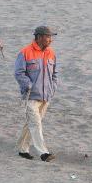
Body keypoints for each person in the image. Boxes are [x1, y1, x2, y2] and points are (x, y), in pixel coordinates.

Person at [14, 26, 59, 162]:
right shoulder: (25, 52)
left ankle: (22, 149)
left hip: (46, 97)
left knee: (31, 124)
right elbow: (19, 73)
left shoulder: (51, 53)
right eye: (48, 37)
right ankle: (44, 153)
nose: (50, 40)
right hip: (31, 97)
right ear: (39, 37)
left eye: (51, 37)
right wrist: (28, 85)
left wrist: (52, 88)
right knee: (36, 124)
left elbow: (55, 74)